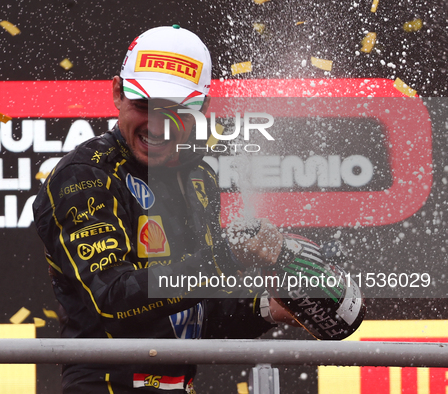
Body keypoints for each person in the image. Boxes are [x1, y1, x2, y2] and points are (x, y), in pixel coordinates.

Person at [33, 25, 297, 394]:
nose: (158, 124)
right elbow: (114, 302)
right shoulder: (86, 176)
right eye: (144, 104)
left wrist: (270, 307)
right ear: (116, 93)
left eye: (177, 109)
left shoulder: (199, 178)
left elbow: (192, 311)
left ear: (202, 109)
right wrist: (225, 257)